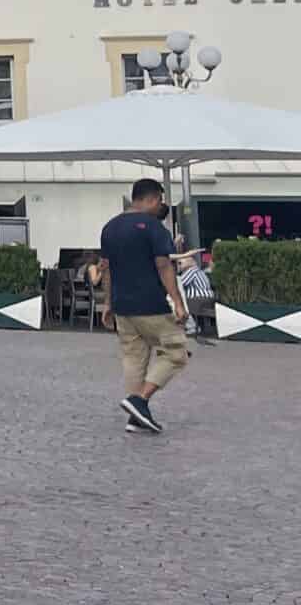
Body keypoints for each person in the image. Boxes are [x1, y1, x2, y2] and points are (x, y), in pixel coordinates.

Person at [104, 178, 192, 434]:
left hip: (122, 306)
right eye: (160, 201)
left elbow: (106, 269)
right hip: (151, 304)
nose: (161, 206)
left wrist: (108, 303)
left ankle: (135, 418)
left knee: (134, 358)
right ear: (152, 199)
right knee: (177, 353)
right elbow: (163, 266)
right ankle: (139, 401)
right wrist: (177, 301)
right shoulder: (153, 227)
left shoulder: (109, 228)